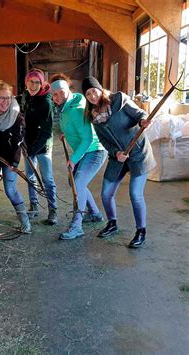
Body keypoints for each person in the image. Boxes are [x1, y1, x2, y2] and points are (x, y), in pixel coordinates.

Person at [82, 76, 156, 248]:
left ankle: (141, 231)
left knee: (135, 195)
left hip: (138, 153)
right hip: (118, 157)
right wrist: (116, 153)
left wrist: (143, 121)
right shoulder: (93, 116)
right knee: (106, 193)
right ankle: (112, 223)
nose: (92, 96)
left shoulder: (120, 100)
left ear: (100, 89)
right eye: (88, 94)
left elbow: (140, 115)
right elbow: (104, 140)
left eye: (94, 91)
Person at [50, 74, 107, 240]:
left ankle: (77, 225)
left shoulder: (75, 109)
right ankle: (95, 213)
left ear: (68, 90)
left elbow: (88, 138)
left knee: (78, 183)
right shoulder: (66, 108)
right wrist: (65, 134)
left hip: (94, 150)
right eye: (55, 94)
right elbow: (74, 127)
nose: (59, 96)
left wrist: (73, 160)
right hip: (84, 149)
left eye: (61, 92)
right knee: (74, 181)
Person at [0, 80, 31, 233]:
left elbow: (18, 141)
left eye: (8, 98)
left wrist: (12, 163)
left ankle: (25, 222)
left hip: (10, 159)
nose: (5, 102)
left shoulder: (16, 116)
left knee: (10, 190)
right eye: (2, 98)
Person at [18, 68, 58, 225]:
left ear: (41, 84)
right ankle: (34, 206)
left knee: (47, 178)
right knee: (30, 177)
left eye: (37, 82)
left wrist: (32, 150)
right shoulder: (25, 97)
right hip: (27, 144)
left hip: (42, 145)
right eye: (31, 82)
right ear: (26, 82)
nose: (33, 85)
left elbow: (47, 132)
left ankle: (53, 209)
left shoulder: (46, 102)